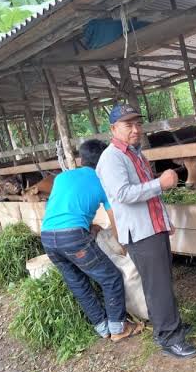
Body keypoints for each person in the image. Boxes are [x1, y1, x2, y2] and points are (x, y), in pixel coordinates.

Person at [96, 104, 196, 360]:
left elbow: (148, 194)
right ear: (113, 129)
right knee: (158, 286)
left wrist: (165, 220)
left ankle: (170, 326)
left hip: (153, 227)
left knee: (162, 281)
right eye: (128, 125)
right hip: (140, 233)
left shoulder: (135, 155)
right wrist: (160, 183)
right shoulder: (111, 158)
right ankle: (169, 338)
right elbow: (122, 194)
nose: (135, 129)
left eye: (137, 124)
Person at [40, 139, 143, 342]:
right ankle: (118, 328)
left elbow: (61, 207)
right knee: (111, 277)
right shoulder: (103, 181)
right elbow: (114, 218)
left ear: (82, 159)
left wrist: (87, 226)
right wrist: (122, 244)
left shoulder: (62, 178)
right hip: (72, 237)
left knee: (78, 283)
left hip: (48, 236)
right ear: (104, 159)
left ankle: (103, 328)